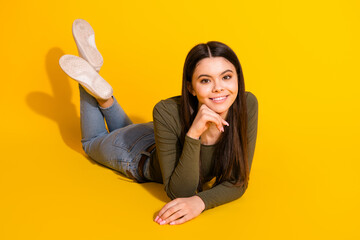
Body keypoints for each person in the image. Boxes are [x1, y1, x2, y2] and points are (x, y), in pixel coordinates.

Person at [59, 19, 258, 226]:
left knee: (122, 131)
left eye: (226, 77)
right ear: (191, 88)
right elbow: (180, 192)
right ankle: (88, 80)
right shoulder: (166, 110)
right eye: (206, 80)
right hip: (136, 155)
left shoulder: (247, 104)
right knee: (92, 142)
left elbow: (238, 180)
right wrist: (194, 134)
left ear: (238, 78)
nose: (218, 88)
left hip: (159, 137)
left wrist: (200, 202)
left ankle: (101, 92)